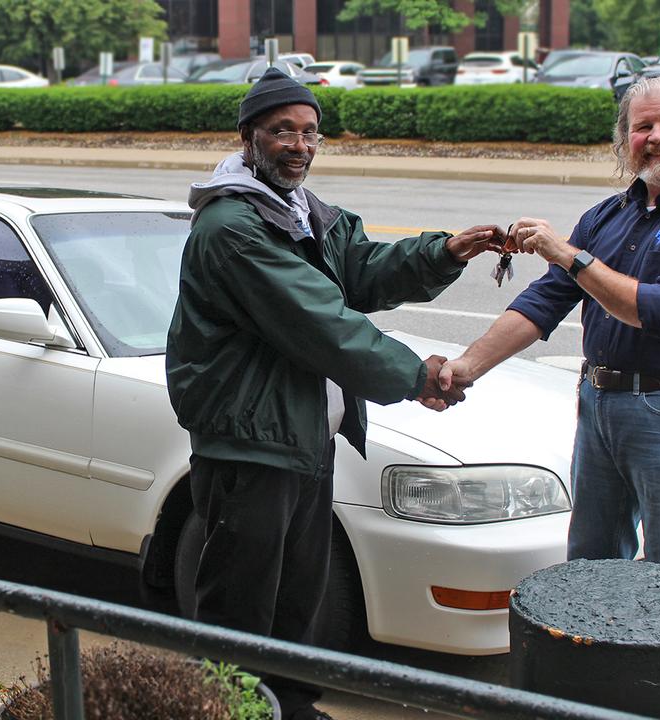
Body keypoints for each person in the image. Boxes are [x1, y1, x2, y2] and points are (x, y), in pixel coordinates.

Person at [165, 67, 505, 720]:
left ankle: (287, 709)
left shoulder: (301, 214)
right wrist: (418, 376)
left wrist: (445, 253)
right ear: (248, 137)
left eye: (310, 132)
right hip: (248, 447)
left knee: (299, 602)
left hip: (301, 440)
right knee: (238, 609)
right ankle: (228, 712)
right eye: (282, 130)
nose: (299, 145)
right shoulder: (232, 229)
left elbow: (364, 269)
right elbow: (322, 321)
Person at [436, 76, 660, 580]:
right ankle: (599, 661)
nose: (657, 136)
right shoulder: (606, 216)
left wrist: (568, 254)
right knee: (589, 567)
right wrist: (466, 367)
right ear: (625, 140)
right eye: (642, 126)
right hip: (600, 404)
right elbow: (545, 301)